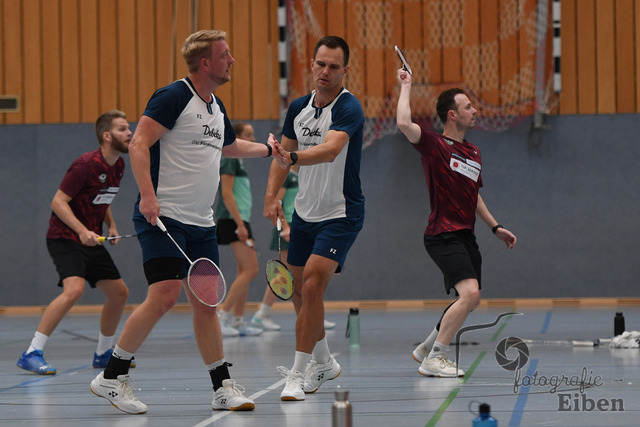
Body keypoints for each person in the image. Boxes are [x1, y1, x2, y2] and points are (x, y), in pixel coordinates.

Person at [90, 30, 287, 415]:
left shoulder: (216, 107)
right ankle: (111, 377)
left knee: (207, 304)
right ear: (205, 63)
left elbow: (230, 146)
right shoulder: (173, 96)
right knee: (164, 295)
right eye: (225, 55)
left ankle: (221, 388)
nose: (231, 61)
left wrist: (270, 150)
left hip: (201, 224)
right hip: (163, 217)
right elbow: (139, 143)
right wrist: (148, 195)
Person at [395, 69, 517, 378]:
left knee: (470, 300)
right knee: (470, 295)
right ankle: (435, 358)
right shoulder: (434, 145)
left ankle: (426, 347)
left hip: (466, 237)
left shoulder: (473, 152)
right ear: (452, 114)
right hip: (442, 234)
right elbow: (403, 123)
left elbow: (473, 195)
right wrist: (406, 86)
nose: (474, 111)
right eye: (468, 107)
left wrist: (495, 227)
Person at [264, 35, 365, 401]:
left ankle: (297, 373)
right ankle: (323, 360)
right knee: (297, 291)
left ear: (345, 70)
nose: (326, 71)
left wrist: (291, 158)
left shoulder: (349, 107)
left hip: (340, 212)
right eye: (321, 64)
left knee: (310, 287)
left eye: (334, 66)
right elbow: (282, 155)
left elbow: (330, 149)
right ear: (312, 64)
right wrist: (271, 196)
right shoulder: (298, 108)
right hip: (305, 212)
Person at [17, 110, 133, 375]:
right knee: (74, 290)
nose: (130, 133)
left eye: (128, 128)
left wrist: (111, 225)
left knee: (119, 293)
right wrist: (82, 231)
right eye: (123, 129)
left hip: (91, 238)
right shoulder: (86, 165)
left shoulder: (118, 166)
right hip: (64, 237)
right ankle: (32, 352)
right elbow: (58, 202)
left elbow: (102, 197)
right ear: (107, 136)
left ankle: (103, 353)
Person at [251, 166, 337, 332]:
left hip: (302, 227)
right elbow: (277, 202)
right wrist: (285, 227)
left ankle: (313, 314)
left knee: (306, 274)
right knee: (283, 274)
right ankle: (262, 314)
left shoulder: (304, 176)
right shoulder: (287, 176)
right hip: (289, 228)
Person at [215, 122, 263, 337]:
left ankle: (238, 321)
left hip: (239, 220)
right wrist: (240, 225)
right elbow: (226, 194)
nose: (253, 139)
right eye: (249, 135)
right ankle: (222, 317)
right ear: (237, 137)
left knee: (244, 271)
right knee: (251, 269)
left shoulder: (238, 161)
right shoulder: (230, 159)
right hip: (234, 221)